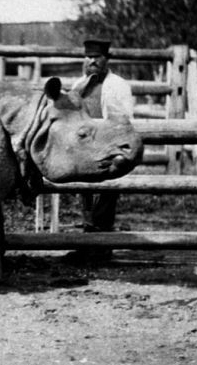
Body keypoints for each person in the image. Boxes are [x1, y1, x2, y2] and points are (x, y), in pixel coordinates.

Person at [70, 39, 134, 260]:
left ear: (106, 59)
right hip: (85, 146)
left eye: (97, 57)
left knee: (108, 192)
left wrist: (116, 146)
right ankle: (87, 242)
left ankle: (103, 244)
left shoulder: (118, 85)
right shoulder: (78, 85)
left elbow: (125, 118)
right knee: (85, 192)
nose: (92, 61)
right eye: (88, 57)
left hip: (109, 144)